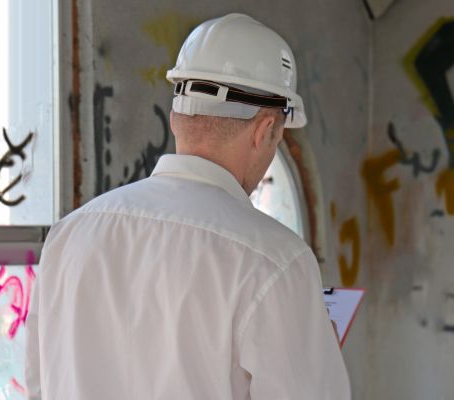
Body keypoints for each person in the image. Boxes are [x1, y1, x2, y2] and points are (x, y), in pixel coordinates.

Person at [26, 13, 350, 400]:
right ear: (266, 131)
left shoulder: (69, 235)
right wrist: (310, 348)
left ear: (178, 117)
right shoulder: (275, 262)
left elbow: (39, 385)